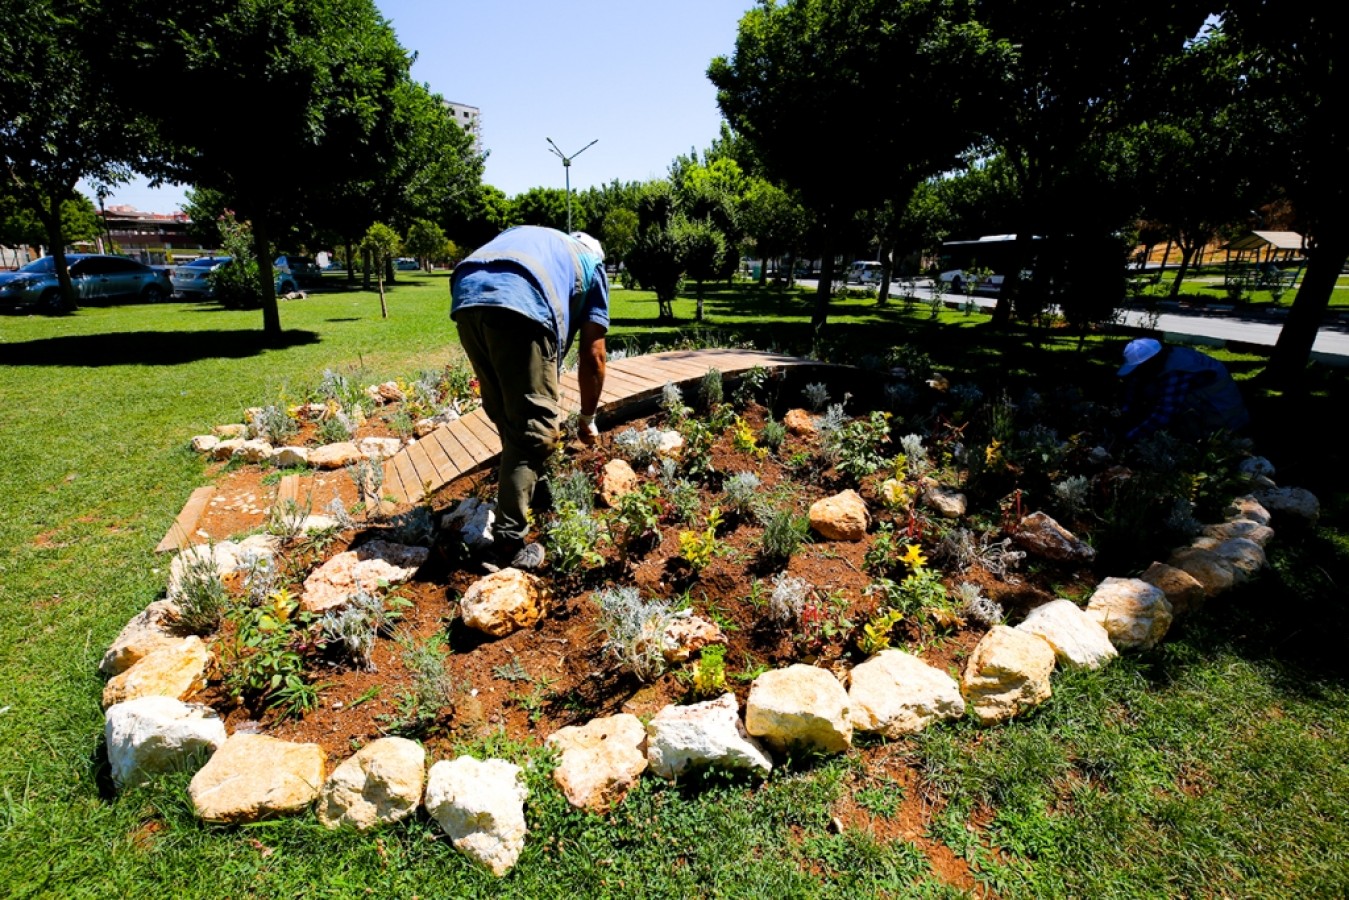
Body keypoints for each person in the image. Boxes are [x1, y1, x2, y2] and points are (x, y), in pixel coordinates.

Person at [450, 225, 609, 570]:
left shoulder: (544, 240)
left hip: (466, 292)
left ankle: (533, 489)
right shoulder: (593, 266)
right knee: (533, 430)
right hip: (520, 299)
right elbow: (594, 355)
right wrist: (588, 418)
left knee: (507, 413)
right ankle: (508, 545)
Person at [1117, 337, 1250, 442]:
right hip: (1213, 401)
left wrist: (1130, 437)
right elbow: (1134, 384)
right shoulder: (1164, 357)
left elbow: (1165, 413)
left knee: (1178, 412)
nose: (1140, 373)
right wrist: (1125, 414)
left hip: (1223, 414)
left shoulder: (1176, 371)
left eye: (1141, 368)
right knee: (1149, 389)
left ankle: (1200, 439)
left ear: (1151, 362)